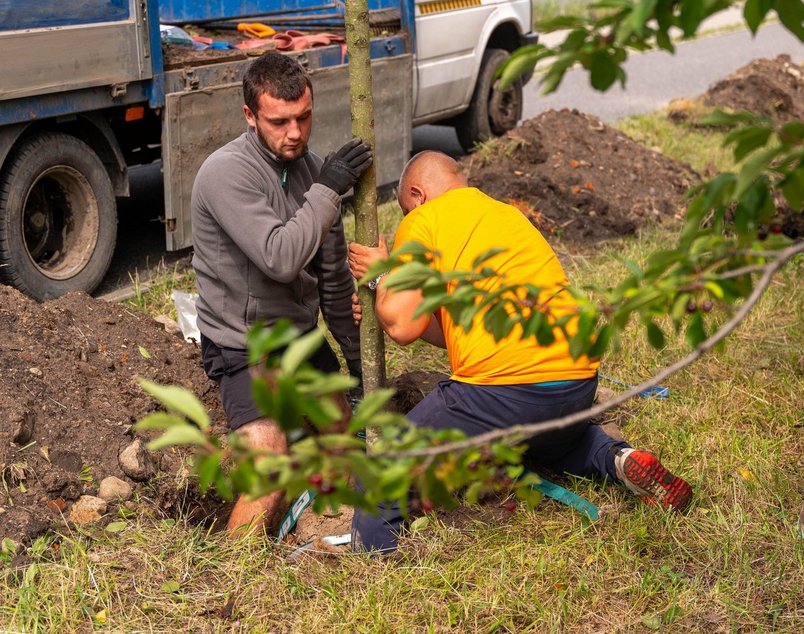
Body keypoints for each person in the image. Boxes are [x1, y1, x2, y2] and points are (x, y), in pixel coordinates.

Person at [347, 151, 693, 553]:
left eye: (408, 209)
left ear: (417, 195)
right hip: (576, 381)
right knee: (552, 442)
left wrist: (383, 277)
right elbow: (439, 326)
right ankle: (618, 459)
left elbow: (403, 325)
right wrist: (390, 297)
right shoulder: (507, 216)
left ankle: (375, 555)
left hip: (505, 388)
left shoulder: (423, 219)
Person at [191, 52, 371, 535]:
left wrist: (356, 361)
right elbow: (280, 258)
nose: (295, 132)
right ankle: (235, 566)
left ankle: (327, 528)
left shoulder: (313, 172)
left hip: (298, 336)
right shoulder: (226, 173)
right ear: (250, 116)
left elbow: (333, 276)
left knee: (345, 433)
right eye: (280, 121)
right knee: (270, 461)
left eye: (304, 117)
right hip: (243, 342)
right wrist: (328, 191)